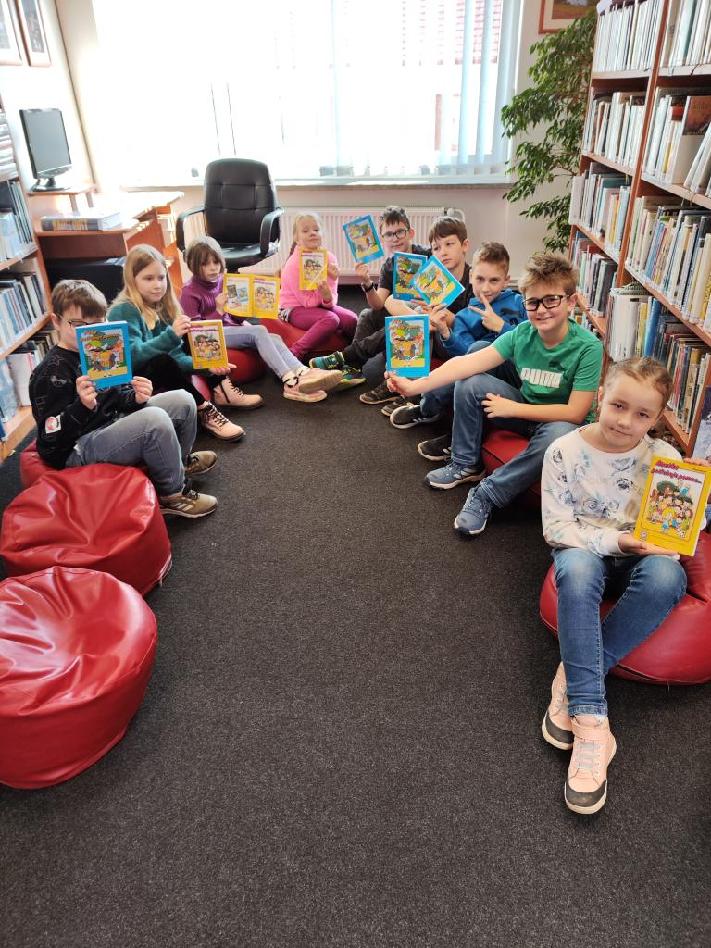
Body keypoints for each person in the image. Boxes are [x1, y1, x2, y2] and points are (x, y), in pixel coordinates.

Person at [540, 356, 700, 815]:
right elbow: (557, 528)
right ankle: (592, 721)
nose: (626, 421)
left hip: (641, 557)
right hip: (585, 548)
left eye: (642, 414)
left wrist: (696, 498)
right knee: (577, 571)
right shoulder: (564, 451)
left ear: (658, 417)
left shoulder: (665, 459)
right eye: (618, 406)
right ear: (600, 399)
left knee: (668, 576)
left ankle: (574, 674)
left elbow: (675, 537)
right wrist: (616, 541)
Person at [386, 252, 603, 536]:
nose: (541, 310)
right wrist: (414, 386)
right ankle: (464, 463)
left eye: (552, 300)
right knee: (470, 379)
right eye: (533, 302)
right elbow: (464, 364)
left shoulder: (588, 347)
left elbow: (575, 412)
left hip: (560, 423)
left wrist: (513, 409)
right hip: (527, 408)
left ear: (571, 301)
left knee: (557, 434)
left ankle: (487, 494)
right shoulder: (522, 333)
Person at [29, 279, 218, 519]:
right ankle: (172, 494)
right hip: (77, 447)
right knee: (154, 419)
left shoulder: (102, 349)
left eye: (98, 324)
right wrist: (81, 407)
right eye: (78, 325)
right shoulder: (50, 372)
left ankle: (178, 463)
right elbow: (49, 441)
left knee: (183, 400)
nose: (89, 334)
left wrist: (135, 397)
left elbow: (117, 396)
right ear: (56, 321)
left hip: (111, 422)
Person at [180, 236, 343, 404]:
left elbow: (234, 319)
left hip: (229, 328)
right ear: (193, 265)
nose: (213, 268)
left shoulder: (224, 281)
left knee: (274, 338)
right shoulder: (189, 291)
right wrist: (219, 311)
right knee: (259, 330)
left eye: (216, 262)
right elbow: (199, 334)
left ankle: (303, 372)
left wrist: (248, 309)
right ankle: (290, 381)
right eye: (205, 264)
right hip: (211, 338)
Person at [109, 244, 244, 442]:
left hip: (162, 368)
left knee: (192, 333)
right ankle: (204, 409)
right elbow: (132, 357)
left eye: (161, 277)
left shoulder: (166, 306)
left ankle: (221, 387)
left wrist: (205, 366)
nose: (157, 285)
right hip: (132, 380)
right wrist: (171, 336)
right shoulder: (123, 310)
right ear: (132, 280)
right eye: (148, 278)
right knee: (162, 360)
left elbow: (177, 357)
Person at [389, 241, 527, 432]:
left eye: (494, 280)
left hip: (517, 373)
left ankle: (426, 406)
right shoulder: (464, 315)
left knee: (479, 349)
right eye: (480, 279)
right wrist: (445, 331)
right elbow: (466, 355)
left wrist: (502, 327)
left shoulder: (519, 302)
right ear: (471, 277)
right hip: (481, 375)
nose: (485, 288)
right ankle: (427, 408)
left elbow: (534, 340)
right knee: (470, 358)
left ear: (506, 280)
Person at [309, 206, 431, 399]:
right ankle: (354, 368)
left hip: (420, 315)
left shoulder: (427, 255)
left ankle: (347, 356)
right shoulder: (389, 265)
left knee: (401, 320)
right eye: (389, 234)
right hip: (397, 311)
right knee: (367, 314)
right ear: (382, 239)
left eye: (400, 232)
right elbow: (378, 303)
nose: (395, 238)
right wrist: (366, 283)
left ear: (411, 233)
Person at [379, 215, 473, 418]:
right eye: (436, 248)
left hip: (456, 340)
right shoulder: (430, 278)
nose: (443, 252)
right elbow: (392, 301)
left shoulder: (474, 279)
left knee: (425, 326)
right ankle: (400, 382)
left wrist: (440, 317)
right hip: (433, 330)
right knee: (411, 322)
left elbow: (470, 324)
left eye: (449, 244)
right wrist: (420, 316)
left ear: (464, 245)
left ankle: (410, 393)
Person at [278, 213, 358, 371]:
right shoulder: (293, 264)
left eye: (316, 229)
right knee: (331, 319)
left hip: (319, 305)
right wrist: (323, 297)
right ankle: (294, 353)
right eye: (305, 231)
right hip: (294, 308)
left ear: (322, 234)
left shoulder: (329, 259)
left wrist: (328, 294)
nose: (312, 233)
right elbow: (306, 302)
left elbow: (332, 300)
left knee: (352, 319)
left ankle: (350, 354)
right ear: (296, 238)